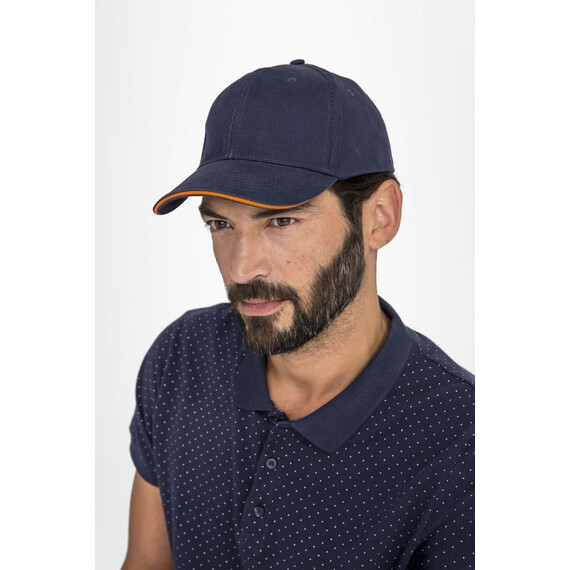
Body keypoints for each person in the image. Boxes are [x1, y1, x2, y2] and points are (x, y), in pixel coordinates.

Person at [122, 60, 474, 570]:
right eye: (220, 225)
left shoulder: (463, 442)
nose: (242, 268)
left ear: (380, 217)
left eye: (281, 220)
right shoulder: (183, 357)